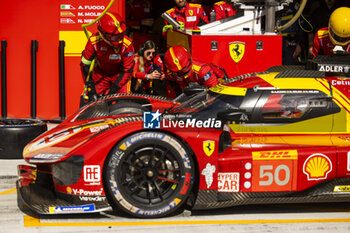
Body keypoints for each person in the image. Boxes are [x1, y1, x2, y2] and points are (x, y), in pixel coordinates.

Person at [80, 12, 135, 106]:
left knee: (125, 102)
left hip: (120, 76)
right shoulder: (94, 41)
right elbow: (85, 66)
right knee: (88, 100)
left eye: (121, 35)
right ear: (102, 33)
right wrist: (91, 89)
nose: (119, 40)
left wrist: (112, 90)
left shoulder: (127, 44)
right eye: (115, 36)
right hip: (101, 74)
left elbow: (127, 70)